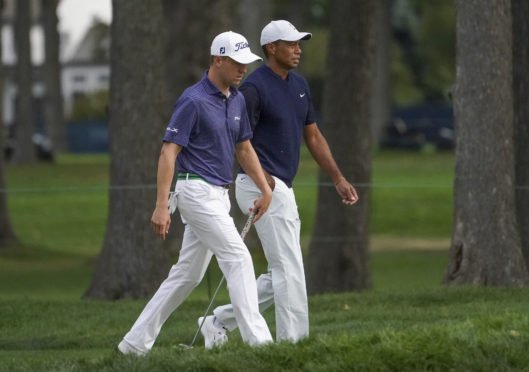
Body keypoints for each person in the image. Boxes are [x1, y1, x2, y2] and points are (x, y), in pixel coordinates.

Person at [199, 20, 359, 347]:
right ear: (272, 48)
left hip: (281, 186)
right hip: (260, 185)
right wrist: (264, 179)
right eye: (291, 43)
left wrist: (338, 178)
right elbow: (237, 138)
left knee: (282, 271)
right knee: (289, 270)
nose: (299, 49)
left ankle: (219, 320)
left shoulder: (299, 85)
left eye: (300, 43)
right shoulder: (255, 88)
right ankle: (293, 345)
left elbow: (312, 135)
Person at [117, 31, 274, 355]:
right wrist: (162, 206)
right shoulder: (193, 100)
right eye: (237, 62)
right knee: (238, 257)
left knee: (186, 276)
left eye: (247, 63)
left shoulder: (238, 99)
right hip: (194, 191)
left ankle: (133, 345)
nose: (244, 69)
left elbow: (244, 148)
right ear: (218, 59)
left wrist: (264, 189)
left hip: (218, 195)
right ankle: (260, 345)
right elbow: (168, 153)